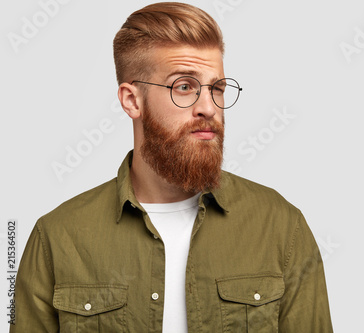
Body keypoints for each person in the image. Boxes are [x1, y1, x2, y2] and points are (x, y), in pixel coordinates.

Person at [11, 2, 333, 332]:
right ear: (131, 100)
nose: (209, 107)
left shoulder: (281, 227)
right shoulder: (58, 238)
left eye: (217, 88)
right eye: (184, 86)